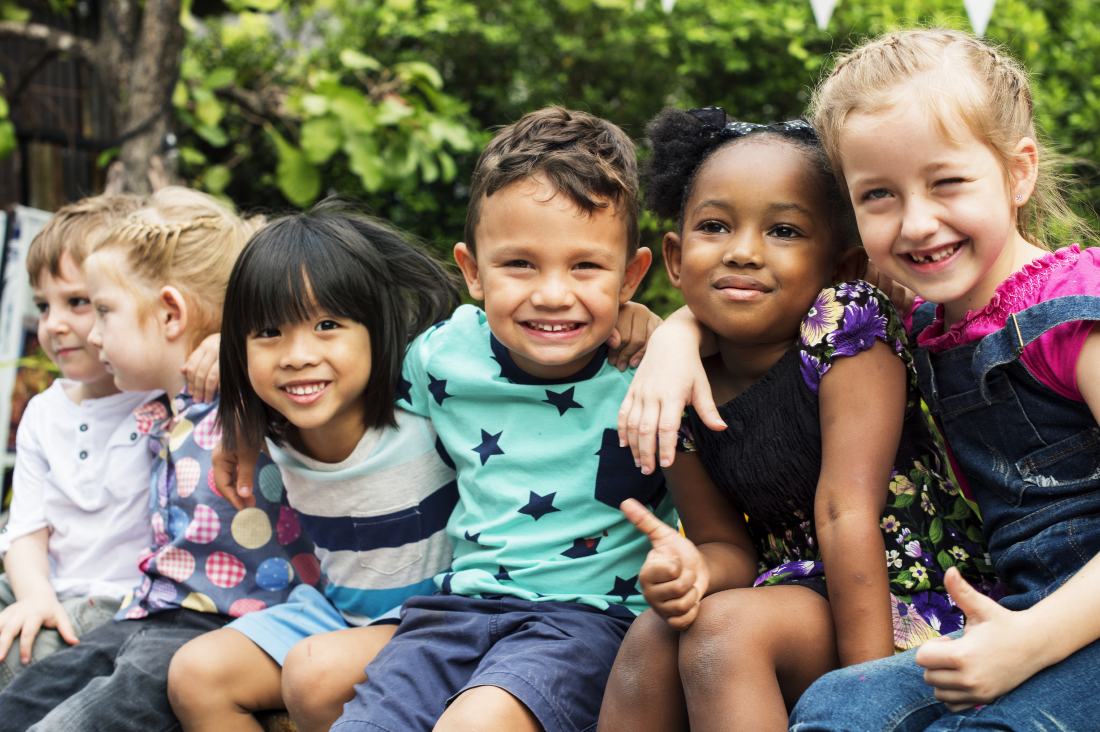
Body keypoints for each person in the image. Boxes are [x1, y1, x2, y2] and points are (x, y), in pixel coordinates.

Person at [621, 29, 1100, 732]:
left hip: (1066, 620)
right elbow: (757, 311)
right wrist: (675, 332)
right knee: (838, 705)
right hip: (1008, 610)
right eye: (878, 195)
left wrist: (1031, 641)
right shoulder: (922, 316)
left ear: (1019, 172)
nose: (917, 221)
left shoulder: (1073, 312)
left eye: (948, 182)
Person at [596, 106, 992, 732]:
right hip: (792, 596)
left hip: (904, 599)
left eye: (783, 231)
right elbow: (726, 545)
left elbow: (845, 511)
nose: (745, 252)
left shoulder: (845, 327)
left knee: (724, 633)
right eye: (715, 227)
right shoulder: (676, 388)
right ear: (675, 257)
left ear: (840, 266)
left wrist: (870, 698)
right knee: (655, 632)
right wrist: (695, 570)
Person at [286, 106, 670, 732]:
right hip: (455, 611)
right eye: (520, 263)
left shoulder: (650, 371)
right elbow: (340, 404)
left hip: (588, 621)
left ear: (631, 276)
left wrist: (670, 329)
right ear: (471, 271)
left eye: (586, 266)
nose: (552, 293)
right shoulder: (442, 356)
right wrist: (240, 407)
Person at [0, 187, 316, 732]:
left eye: (101, 311)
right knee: (18, 706)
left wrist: (235, 344)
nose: (92, 336)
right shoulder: (156, 410)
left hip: (226, 625)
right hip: (149, 614)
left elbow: (310, 345)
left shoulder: (254, 393)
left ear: (171, 313)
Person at [166, 203, 461, 732]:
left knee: (314, 672)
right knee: (195, 674)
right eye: (269, 332)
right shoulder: (272, 426)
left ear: (377, 328)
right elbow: (233, 369)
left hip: (444, 618)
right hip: (340, 615)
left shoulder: (425, 406)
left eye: (328, 324)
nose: (297, 354)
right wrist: (238, 416)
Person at [0, 195, 221, 689]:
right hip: (44, 585)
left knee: (20, 660)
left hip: (119, 601)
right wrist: (34, 597)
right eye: (43, 305)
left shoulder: (171, 394)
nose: (54, 324)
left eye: (80, 302)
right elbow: (25, 529)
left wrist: (222, 344)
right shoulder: (43, 411)